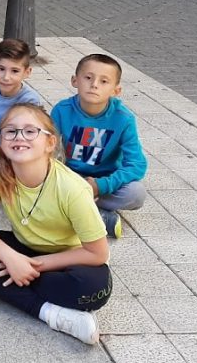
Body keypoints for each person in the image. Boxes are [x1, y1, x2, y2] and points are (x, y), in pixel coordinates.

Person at [0, 104, 112, 345]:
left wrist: (31, 265)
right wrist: (11, 259)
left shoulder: (73, 189)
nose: (19, 137)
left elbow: (98, 253)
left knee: (93, 289)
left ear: (50, 143)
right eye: (10, 131)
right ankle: (48, 312)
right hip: (22, 247)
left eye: (30, 131)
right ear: (1, 139)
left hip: (66, 259)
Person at [50, 53, 146, 238]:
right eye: (88, 78)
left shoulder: (123, 118)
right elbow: (48, 150)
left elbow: (136, 164)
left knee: (136, 194)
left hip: (102, 182)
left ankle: (72, 210)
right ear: (75, 80)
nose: (94, 85)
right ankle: (97, 216)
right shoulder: (62, 110)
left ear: (116, 90)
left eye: (104, 81)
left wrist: (100, 185)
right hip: (68, 178)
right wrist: (61, 179)